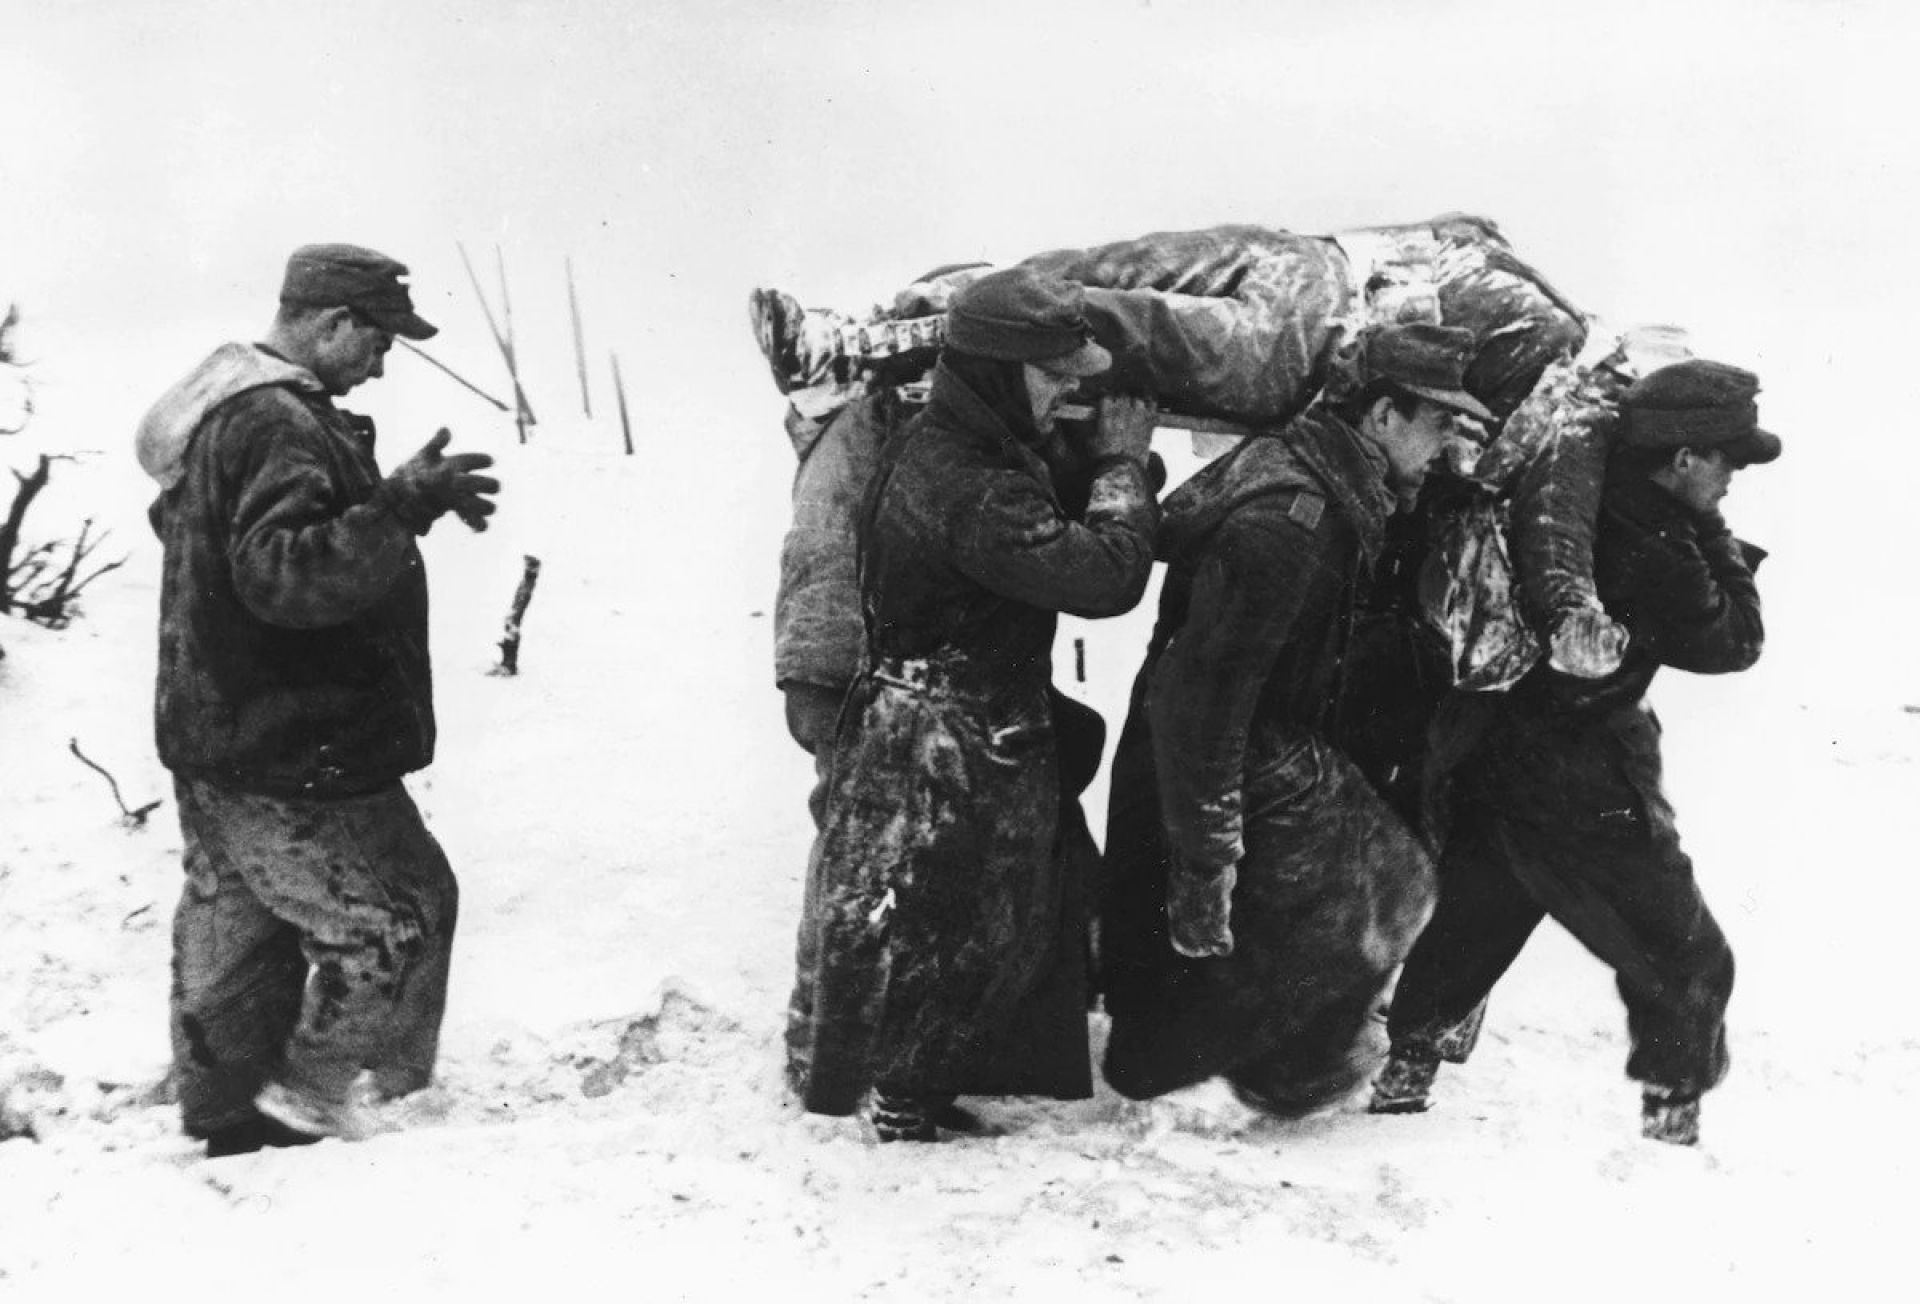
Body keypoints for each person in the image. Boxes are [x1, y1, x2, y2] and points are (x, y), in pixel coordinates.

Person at [137, 243, 501, 1156]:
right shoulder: (278, 421)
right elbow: (282, 574)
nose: (382, 361)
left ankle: (223, 1108)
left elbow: (218, 540)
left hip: (220, 735)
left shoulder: (224, 414)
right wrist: (399, 508)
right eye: (381, 340)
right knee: (401, 912)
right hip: (295, 745)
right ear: (335, 324)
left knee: (241, 922)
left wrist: (381, 495)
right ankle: (322, 1103)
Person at [791, 266, 1159, 1141]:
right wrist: (1119, 465)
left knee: (957, 923)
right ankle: (905, 1104)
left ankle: (905, 1088)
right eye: (1054, 371)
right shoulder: (970, 481)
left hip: (937, 723)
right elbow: (1104, 579)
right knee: (960, 932)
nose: (1073, 385)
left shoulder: (953, 447)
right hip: (952, 742)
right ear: (999, 369)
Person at [1372, 359, 1779, 1146]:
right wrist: (1713, 531)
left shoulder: (1582, 495)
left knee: (1480, 908)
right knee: (1689, 955)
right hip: (1582, 771)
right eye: (1727, 460)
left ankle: (1405, 1069)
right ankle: (1672, 1119)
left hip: (1493, 746)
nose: (1734, 478)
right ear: (1684, 458)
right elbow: (1736, 641)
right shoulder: (1657, 538)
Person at [1099, 323, 1491, 1116]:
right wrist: (1204, 861)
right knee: (1387, 884)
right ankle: (1273, 1070)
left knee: (1376, 880)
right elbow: (1200, 702)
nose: (1448, 445)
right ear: (1382, 415)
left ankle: (1270, 1060)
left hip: (1235, 740)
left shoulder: (1320, 472)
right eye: (1438, 423)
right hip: (1217, 751)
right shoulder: (1291, 525)